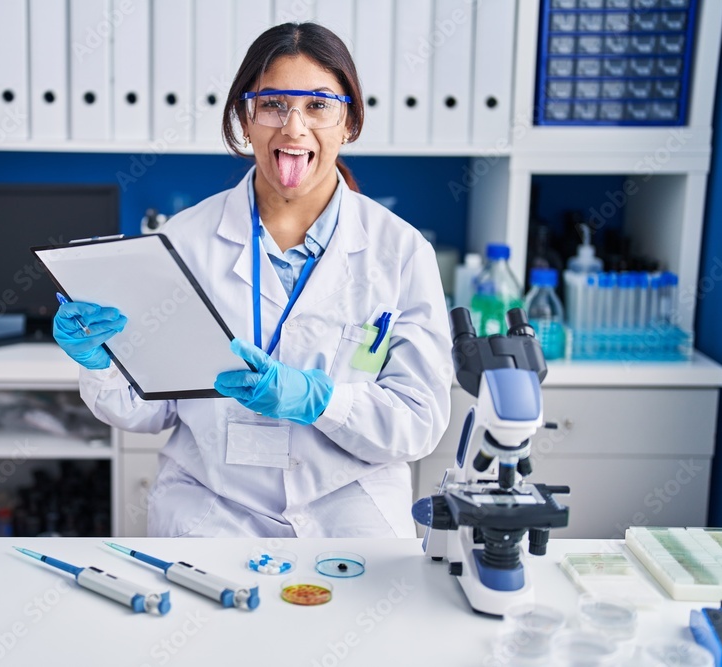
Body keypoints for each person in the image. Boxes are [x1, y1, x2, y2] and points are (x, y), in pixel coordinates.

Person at [53, 23, 452, 538]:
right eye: (272, 105)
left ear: (348, 121)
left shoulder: (398, 251)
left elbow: (417, 422)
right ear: (246, 118)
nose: (293, 128)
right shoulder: (188, 239)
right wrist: (104, 362)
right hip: (211, 504)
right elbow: (151, 411)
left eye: (318, 105)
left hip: (347, 504)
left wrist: (322, 400)